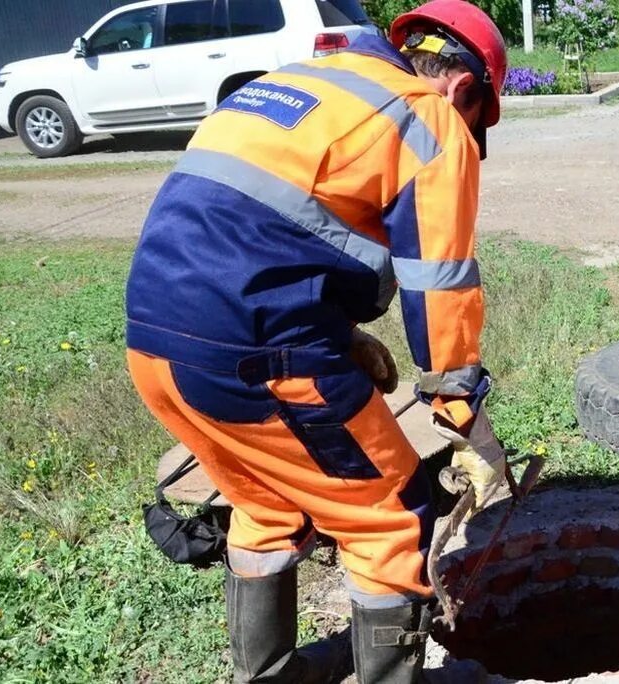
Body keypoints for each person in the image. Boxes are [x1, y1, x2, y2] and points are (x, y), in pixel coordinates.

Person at [124, 2, 509, 681]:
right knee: (390, 517)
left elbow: (261, 228)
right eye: (477, 121)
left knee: (265, 506)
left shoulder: (300, 84)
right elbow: (439, 283)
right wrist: (460, 416)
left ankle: (266, 676)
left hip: (155, 346)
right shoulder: (428, 116)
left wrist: (346, 332)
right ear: (467, 89)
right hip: (264, 357)